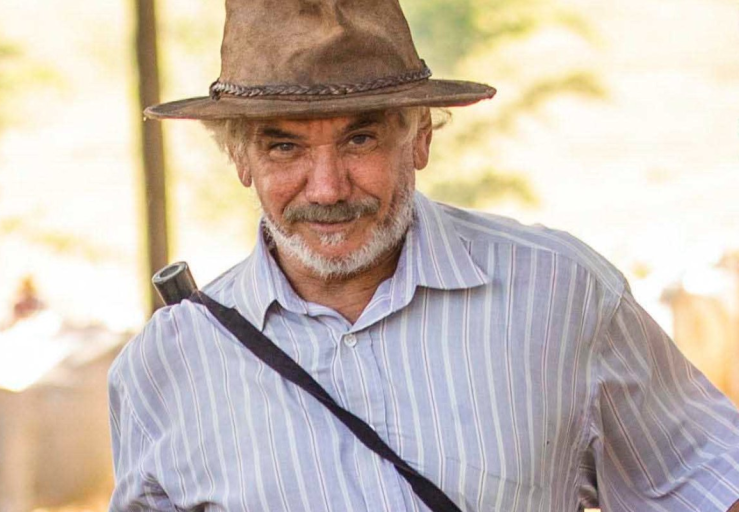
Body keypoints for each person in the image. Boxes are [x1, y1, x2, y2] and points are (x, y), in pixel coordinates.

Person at [108, 0, 739, 510]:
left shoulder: (561, 291)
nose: (327, 188)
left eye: (360, 138)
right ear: (240, 159)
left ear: (420, 138)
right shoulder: (166, 364)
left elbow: (707, 485)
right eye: (284, 148)